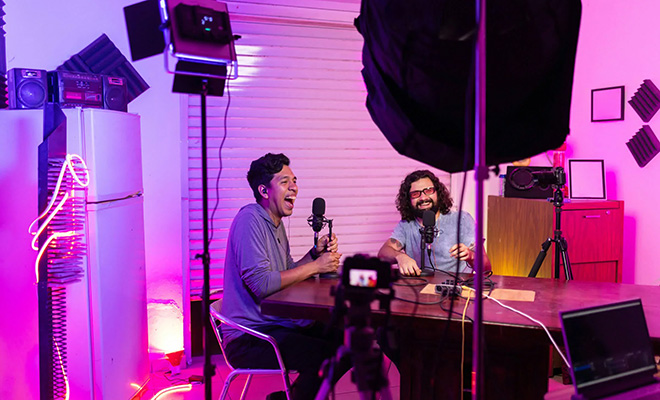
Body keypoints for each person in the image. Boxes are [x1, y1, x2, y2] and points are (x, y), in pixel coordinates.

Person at [221, 153, 347, 400]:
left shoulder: (275, 224)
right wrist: (316, 266)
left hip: (273, 325)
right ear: (264, 191)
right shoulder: (250, 219)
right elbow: (262, 285)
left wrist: (314, 254)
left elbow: (288, 271)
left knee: (345, 339)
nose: (294, 188)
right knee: (326, 354)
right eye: (284, 182)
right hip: (249, 338)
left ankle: (291, 396)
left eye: (295, 181)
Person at [378, 169, 492, 276]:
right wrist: (400, 256)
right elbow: (383, 253)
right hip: (421, 287)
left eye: (428, 191)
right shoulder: (406, 225)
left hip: (455, 288)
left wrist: (471, 256)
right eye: (415, 194)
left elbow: (486, 269)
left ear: (438, 193)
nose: (423, 198)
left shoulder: (461, 219)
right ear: (408, 199)